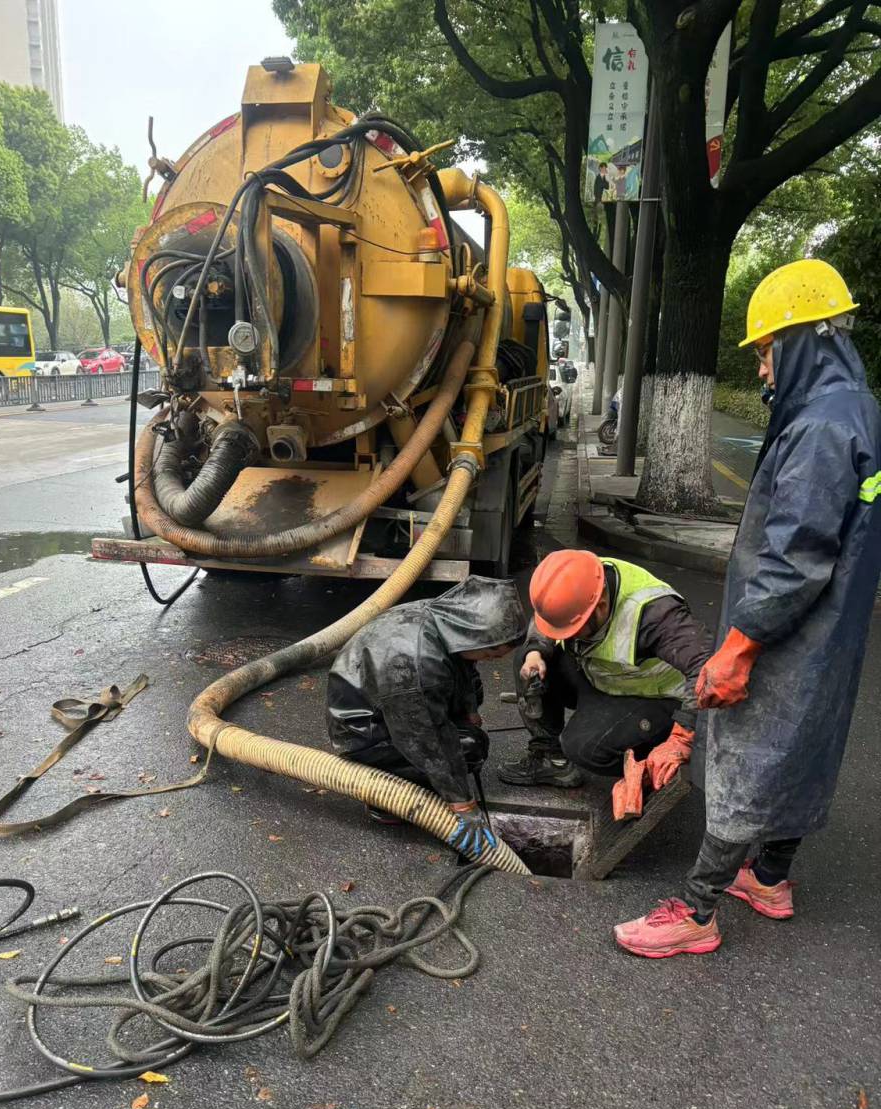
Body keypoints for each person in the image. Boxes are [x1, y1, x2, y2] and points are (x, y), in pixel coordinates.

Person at [615, 258, 881, 958]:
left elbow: (794, 556)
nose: (762, 370)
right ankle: (769, 878)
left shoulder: (821, 429)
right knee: (801, 746)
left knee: (748, 759)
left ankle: (696, 913)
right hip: (833, 630)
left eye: (765, 352)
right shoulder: (856, 409)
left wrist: (739, 647)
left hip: (790, 633)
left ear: (805, 340)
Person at [327, 576, 527, 858]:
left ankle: (426, 779)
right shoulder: (416, 666)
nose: (492, 661)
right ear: (476, 637)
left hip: (388, 703)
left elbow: (466, 667)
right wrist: (463, 805)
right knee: (469, 748)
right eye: (493, 655)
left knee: (467, 724)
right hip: (363, 731)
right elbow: (426, 741)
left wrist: (469, 709)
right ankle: (387, 800)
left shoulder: (446, 618)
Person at [498, 551, 711, 806]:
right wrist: (536, 652)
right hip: (602, 676)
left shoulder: (656, 615)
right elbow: (549, 620)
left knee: (584, 748)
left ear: (599, 606)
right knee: (528, 659)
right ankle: (550, 760)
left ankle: (648, 764)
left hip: (653, 698)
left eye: (574, 629)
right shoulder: (580, 579)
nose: (568, 635)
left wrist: (683, 737)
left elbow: (708, 668)